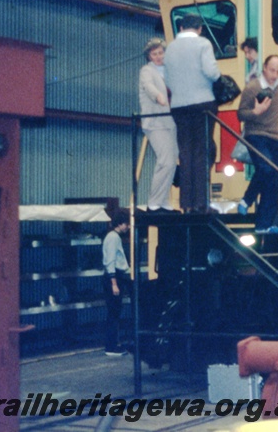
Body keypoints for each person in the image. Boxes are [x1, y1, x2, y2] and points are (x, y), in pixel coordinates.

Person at [164, 13, 221, 214]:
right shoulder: (203, 44)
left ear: (180, 28)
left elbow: (168, 80)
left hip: (179, 106)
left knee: (185, 154)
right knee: (202, 153)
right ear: (199, 28)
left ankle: (186, 204)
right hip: (202, 104)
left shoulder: (169, 48)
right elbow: (211, 72)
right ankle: (202, 203)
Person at [237, 55, 278, 234]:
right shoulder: (253, 87)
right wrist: (256, 112)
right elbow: (241, 113)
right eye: (272, 70)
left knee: (272, 179)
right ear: (264, 67)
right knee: (267, 170)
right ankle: (248, 200)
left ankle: (264, 225)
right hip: (255, 134)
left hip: (274, 137)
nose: (275, 74)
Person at [138, 38, 179, 214]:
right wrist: (158, 97)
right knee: (166, 161)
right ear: (149, 56)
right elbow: (148, 87)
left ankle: (162, 201)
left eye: (160, 53)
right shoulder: (146, 71)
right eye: (154, 54)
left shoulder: (171, 71)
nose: (158, 57)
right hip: (155, 122)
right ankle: (154, 202)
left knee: (170, 161)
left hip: (171, 122)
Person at [102, 209, 131, 356]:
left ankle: (112, 344)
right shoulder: (113, 238)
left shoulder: (113, 237)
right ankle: (111, 347)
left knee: (114, 312)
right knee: (114, 313)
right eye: (127, 224)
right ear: (121, 223)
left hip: (115, 277)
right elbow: (110, 261)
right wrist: (114, 283)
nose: (129, 227)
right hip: (114, 278)